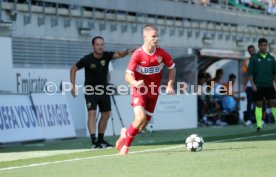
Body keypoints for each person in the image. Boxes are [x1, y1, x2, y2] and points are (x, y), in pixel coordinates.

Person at [115, 24, 176, 155]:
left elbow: (172, 68)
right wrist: (135, 82)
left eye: (157, 36)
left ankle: (126, 133)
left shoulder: (161, 53)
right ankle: (126, 148)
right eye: (153, 36)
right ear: (145, 37)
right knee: (140, 117)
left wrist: (170, 85)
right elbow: (127, 75)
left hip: (153, 92)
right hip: (139, 90)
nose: (156, 38)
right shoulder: (137, 54)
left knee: (142, 125)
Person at [70, 36, 135, 148]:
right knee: (92, 113)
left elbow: (118, 54)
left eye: (102, 44)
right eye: (97, 44)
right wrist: (73, 86)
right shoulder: (87, 59)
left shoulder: (106, 56)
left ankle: (101, 140)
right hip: (90, 90)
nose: (100, 47)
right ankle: (94, 141)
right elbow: (73, 69)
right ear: (93, 46)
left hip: (104, 90)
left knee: (106, 114)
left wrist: (127, 51)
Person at [247, 38, 276, 132]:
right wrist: (253, 84)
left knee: (274, 103)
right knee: (259, 105)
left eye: (265, 45)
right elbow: (250, 73)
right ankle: (259, 125)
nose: (263, 47)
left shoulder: (271, 58)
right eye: (262, 45)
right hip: (258, 85)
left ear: (267, 46)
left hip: (269, 85)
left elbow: (274, 73)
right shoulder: (254, 58)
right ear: (259, 46)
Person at [242, 45, 256, 126]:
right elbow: (245, 74)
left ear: (255, 50)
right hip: (250, 85)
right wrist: (245, 85)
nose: (251, 51)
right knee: (249, 102)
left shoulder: (260, 59)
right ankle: (249, 119)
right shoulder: (246, 61)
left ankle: (259, 119)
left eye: (252, 50)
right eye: (250, 50)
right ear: (248, 51)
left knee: (258, 103)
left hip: (258, 84)